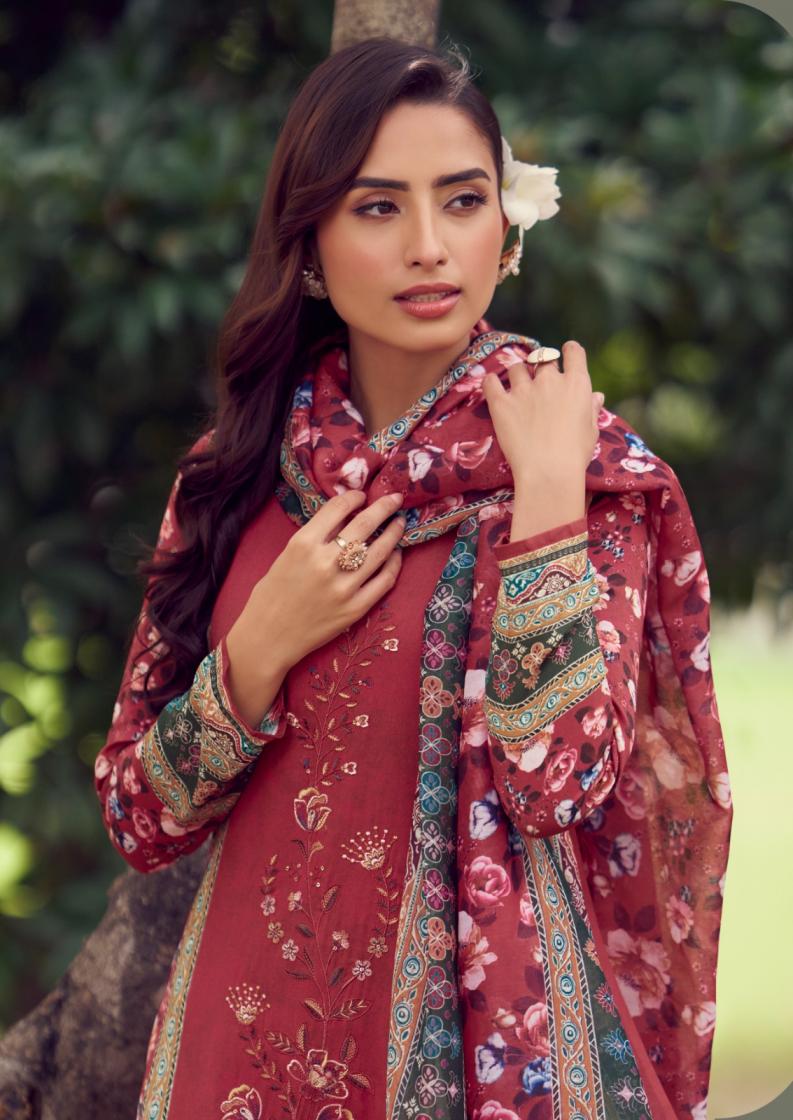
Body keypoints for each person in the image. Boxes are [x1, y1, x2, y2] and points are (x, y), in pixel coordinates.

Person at [93, 37, 732, 1120]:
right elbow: (138, 815)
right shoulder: (237, 472)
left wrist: (545, 506)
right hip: (235, 1055)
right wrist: (260, 647)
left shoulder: (580, 470)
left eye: (463, 200)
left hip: (487, 1068)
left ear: (506, 230)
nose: (428, 247)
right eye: (378, 207)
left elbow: (555, 781)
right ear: (309, 244)